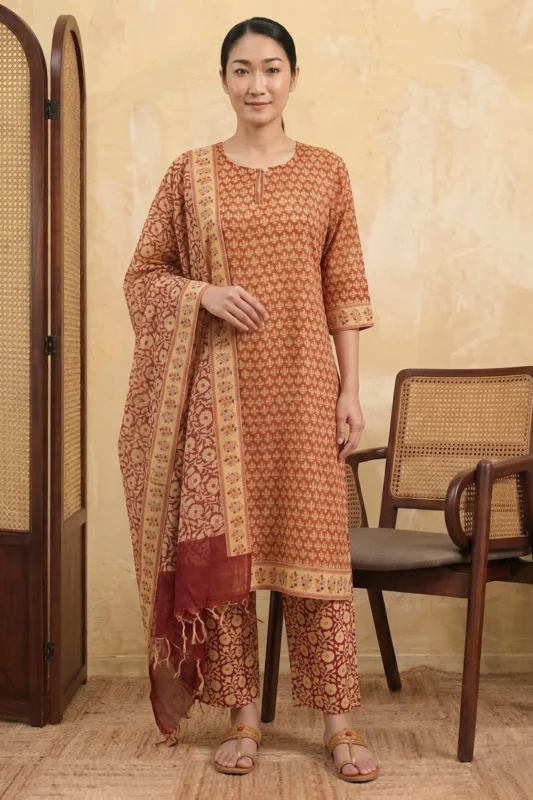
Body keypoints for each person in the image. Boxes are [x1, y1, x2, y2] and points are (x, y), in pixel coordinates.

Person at [118, 15, 379, 784]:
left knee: (318, 562)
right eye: (241, 70)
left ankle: (339, 724)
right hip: (217, 402)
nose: (256, 84)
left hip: (302, 390)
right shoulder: (188, 174)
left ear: (292, 78)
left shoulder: (326, 171)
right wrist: (201, 292)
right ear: (224, 80)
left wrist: (349, 388)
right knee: (226, 564)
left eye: (270, 69)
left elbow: (346, 286)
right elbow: (142, 279)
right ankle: (241, 719)